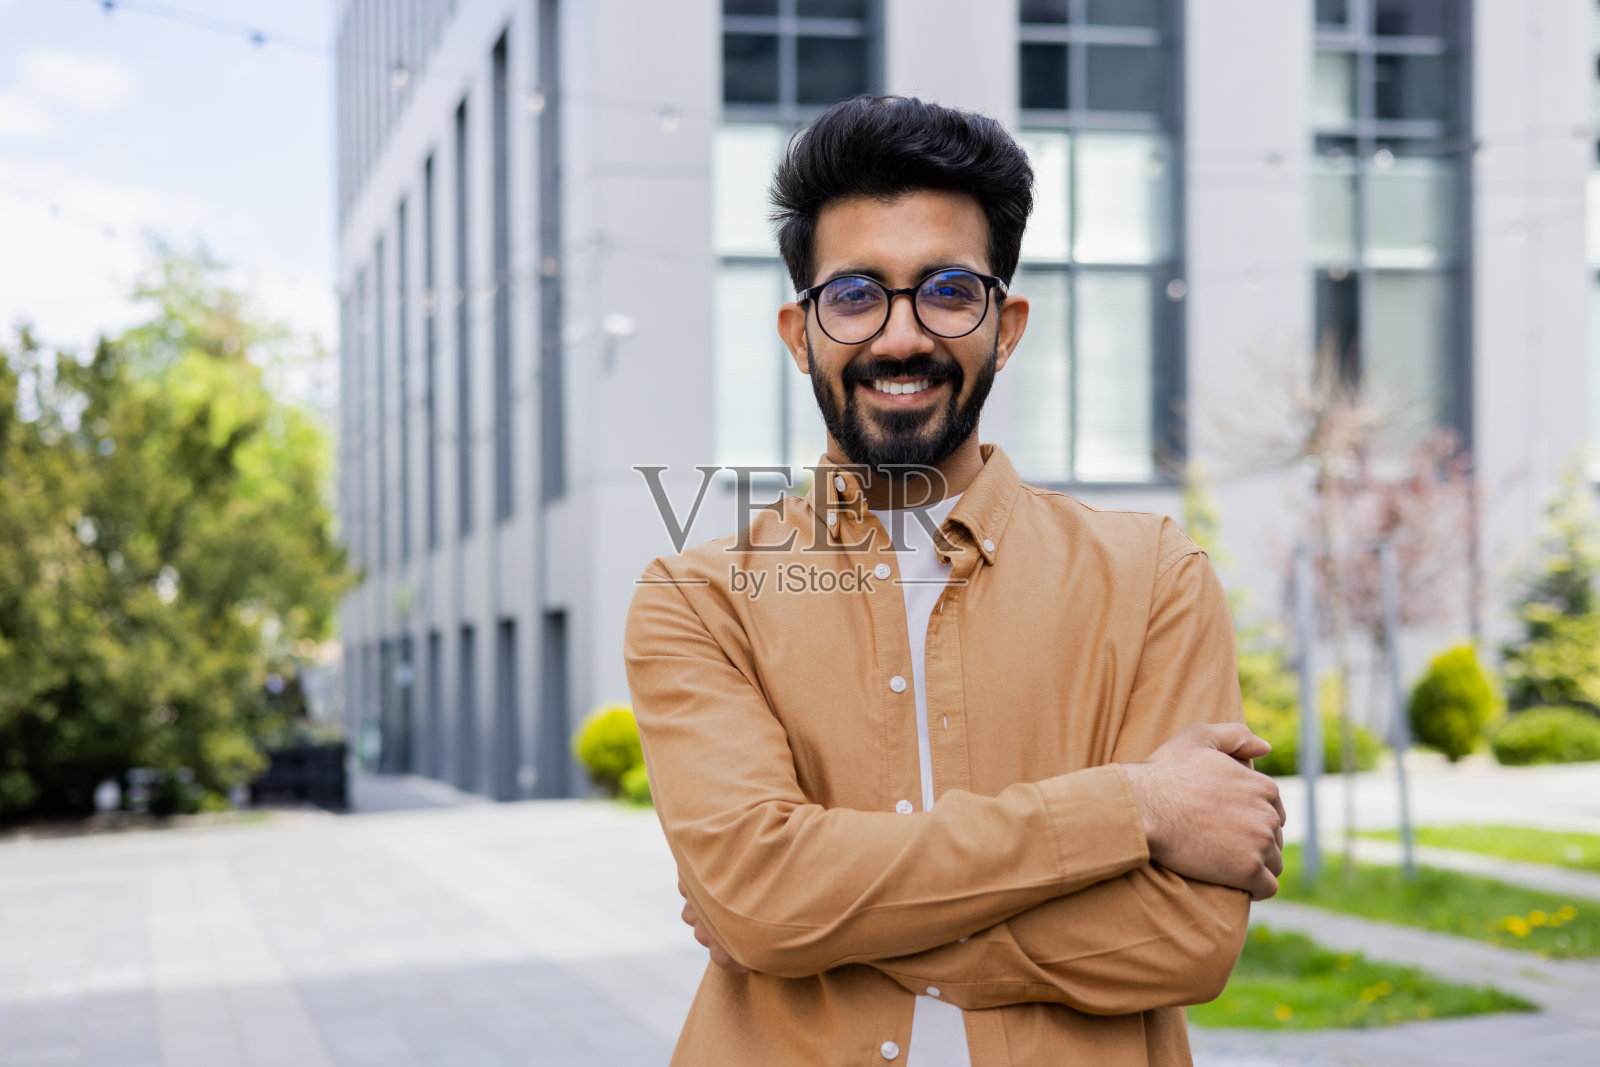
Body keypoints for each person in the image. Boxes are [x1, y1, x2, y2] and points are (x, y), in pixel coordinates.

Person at [624, 95, 1285, 1066]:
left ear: (1004, 324)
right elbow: (760, 902)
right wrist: (1134, 807)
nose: (900, 338)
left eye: (946, 289)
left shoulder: (1152, 575)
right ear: (798, 332)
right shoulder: (699, 595)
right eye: (854, 294)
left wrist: (825, 922)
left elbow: (1182, 937)